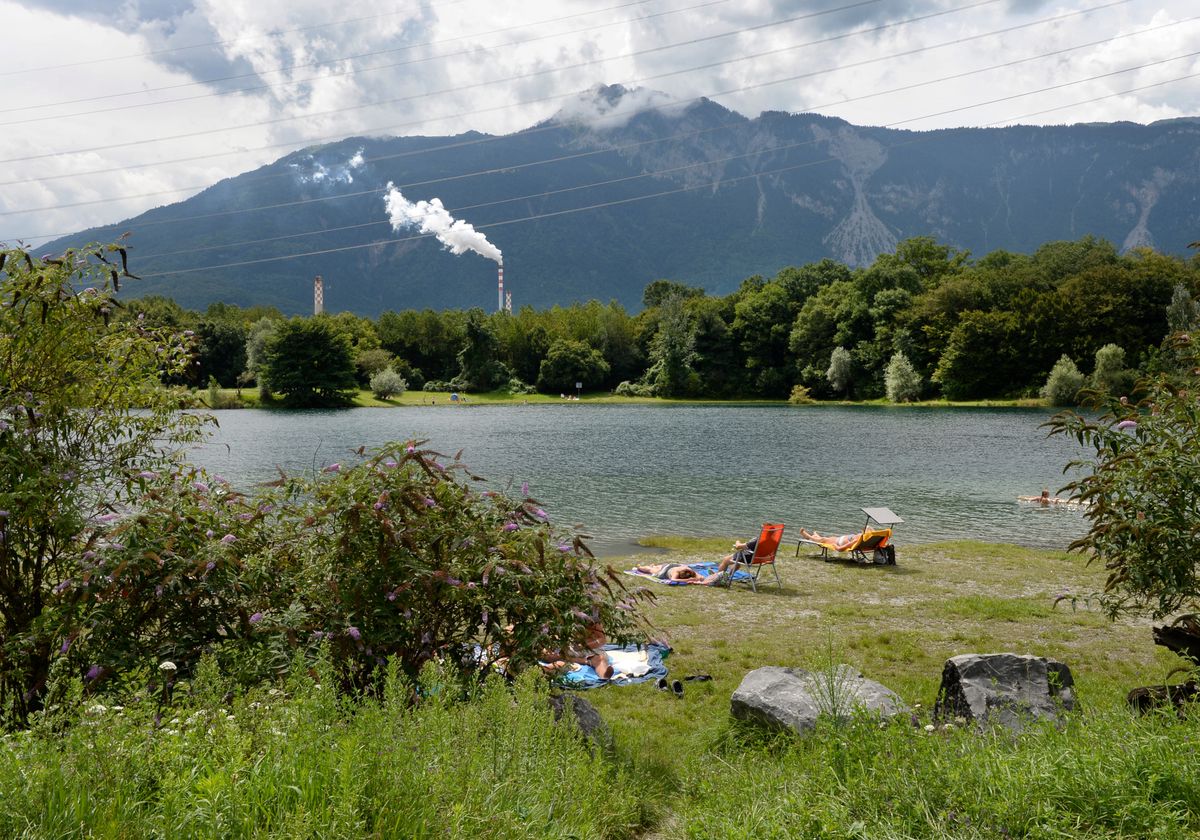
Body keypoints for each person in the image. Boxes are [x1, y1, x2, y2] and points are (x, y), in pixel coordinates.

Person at [635, 562, 710, 584]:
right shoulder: (676, 572)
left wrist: (701, 578)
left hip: (670, 566)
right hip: (664, 571)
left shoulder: (689, 570)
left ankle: (654, 565)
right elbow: (673, 579)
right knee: (650, 570)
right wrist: (687, 580)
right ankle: (639, 566)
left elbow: (698, 576)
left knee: (656, 567)